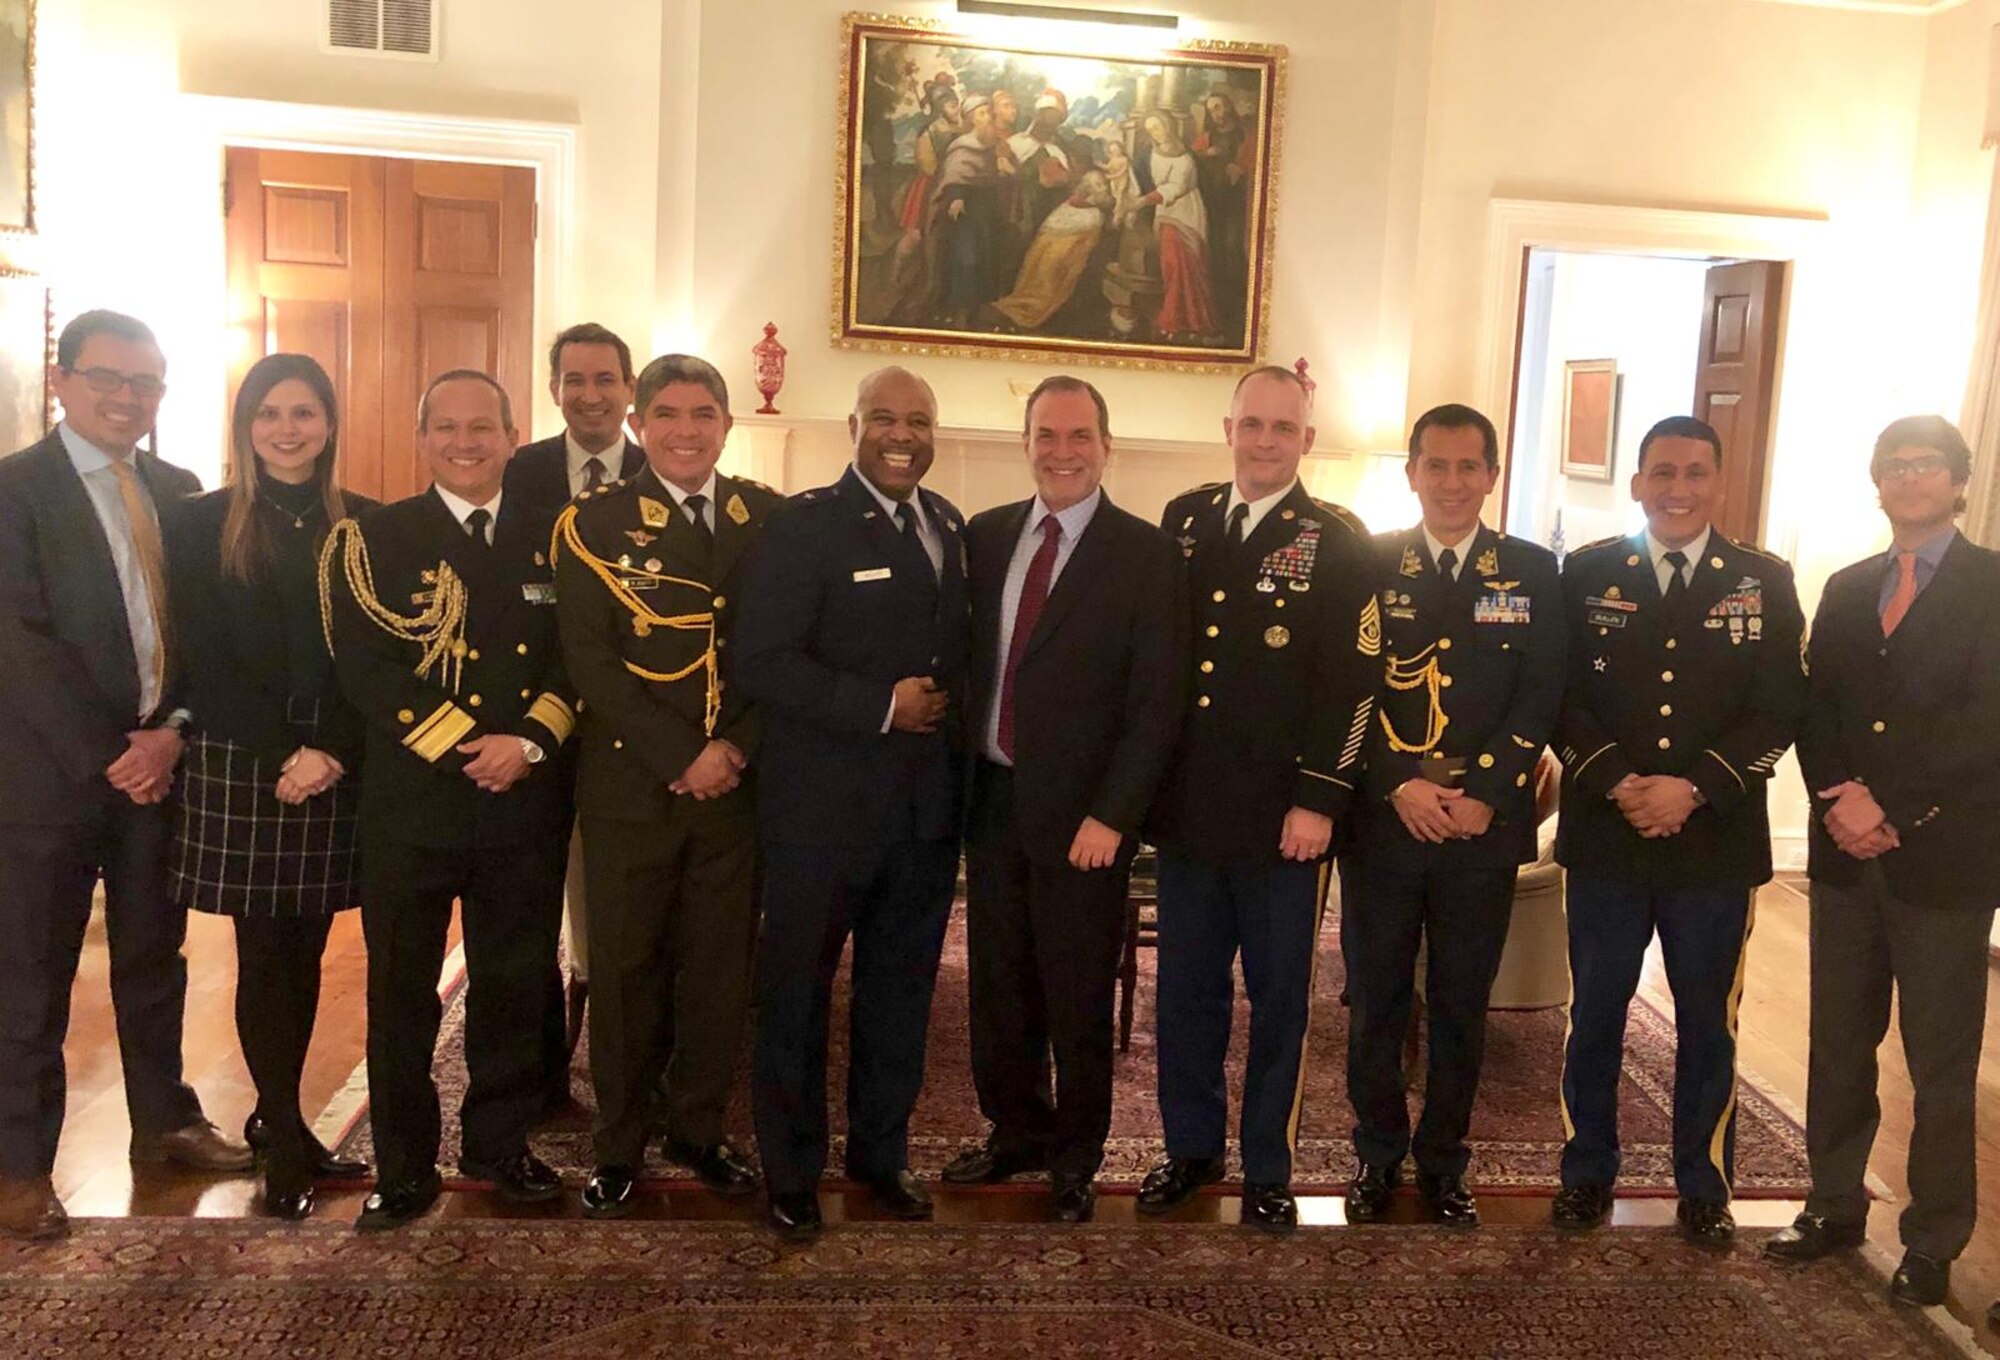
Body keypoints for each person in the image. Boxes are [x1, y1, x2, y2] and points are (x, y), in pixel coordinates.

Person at [0, 309, 249, 1243]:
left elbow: (199, 637)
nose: (127, 397)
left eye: (145, 383)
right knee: (31, 979)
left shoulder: (179, 490)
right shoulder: (14, 491)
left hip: (158, 770)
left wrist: (172, 736)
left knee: (154, 961)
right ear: (63, 381)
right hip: (46, 786)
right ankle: (20, 1167)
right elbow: (14, 643)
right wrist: (114, 754)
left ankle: (164, 1122)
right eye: (108, 377)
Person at [322, 369, 577, 1231]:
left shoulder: (560, 539)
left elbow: (576, 659)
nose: (466, 442)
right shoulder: (374, 537)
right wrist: (459, 743)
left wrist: (530, 741)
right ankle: (401, 1164)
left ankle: (499, 1145)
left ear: (513, 436)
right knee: (400, 992)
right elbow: (363, 665)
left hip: (522, 801)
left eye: (484, 427)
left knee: (511, 984)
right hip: (413, 806)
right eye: (447, 428)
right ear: (421, 436)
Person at [1551, 415, 1807, 1248]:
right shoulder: (1588, 573)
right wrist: (1622, 782)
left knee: (1707, 1020)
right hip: (1609, 835)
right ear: (1636, 483)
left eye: (1695, 474)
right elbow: (1558, 698)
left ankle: (1703, 1182)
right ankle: (1587, 1171)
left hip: (1714, 845)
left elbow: (1781, 711)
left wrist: (1694, 789)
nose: (1677, 489)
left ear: (1718, 484)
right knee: (1595, 1012)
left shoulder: (1763, 580)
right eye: (1662, 473)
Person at [1768, 415, 2000, 1307]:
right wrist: (1837, 797)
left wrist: (1891, 807)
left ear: (1958, 482)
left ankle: (1935, 1238)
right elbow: (1813, 707)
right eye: (1895, 467)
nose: (1909, 479)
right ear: (1877, 483)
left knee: (1940, 1065)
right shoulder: (1848, 587)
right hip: (1845, 860)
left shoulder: (1990, 586)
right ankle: (1831, 1205)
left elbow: (1985, 727)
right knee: (1838, 1043)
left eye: (1927, 466)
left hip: (1944, 862)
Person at [1137, 366, 1375, 1233]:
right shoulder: (1188, 519)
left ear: (1306, 440)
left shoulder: (1339, 539)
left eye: (1284, 428)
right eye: (1253, 425)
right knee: (1186, 995)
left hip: (1287, 822)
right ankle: (1190, 1149)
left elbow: (1353, 685)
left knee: (1279, 1001)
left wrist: (1320, 797)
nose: (1266, 440)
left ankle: (1269, 1166)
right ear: (1227, 426)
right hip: (1193, 812)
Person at [734, 365, 969, 1242]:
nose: (902, 434)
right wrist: (880, 706)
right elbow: (761, 660)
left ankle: (881, 1152)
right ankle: (790, 1170)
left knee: (899, 994)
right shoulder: (804, 526)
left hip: (921, 819)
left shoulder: (948, 525)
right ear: (854, 424)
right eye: (885, 418)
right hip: (819, 817)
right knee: (796, 993)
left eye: (918, 419)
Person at [944, 376, 1186, 1224]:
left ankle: (1076, 1157)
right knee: (998, 987)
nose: (1063, 451)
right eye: (1047, 435)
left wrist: (1114, 817)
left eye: (1079, 435)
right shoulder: (985, 538)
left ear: (1106, 446)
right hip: (993, 799)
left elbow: (1157, 704)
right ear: (1027, 442)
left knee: (1076, 994)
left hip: (1087, 821)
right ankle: (1015, 1132)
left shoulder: (1148, 554)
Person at [552, 354, 780, 1217]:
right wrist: (680, 755)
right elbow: (589, 660)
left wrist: (734, 749)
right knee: (625, 969)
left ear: (727, 423)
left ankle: (697, 1128)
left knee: (719, 969)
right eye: (670, 414)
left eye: (705, 413)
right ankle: (618, 1142)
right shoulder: (593, 524)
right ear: (640, 424)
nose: (688, 430)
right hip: (632, 787)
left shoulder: (767, 517)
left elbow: (777, 651)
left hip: (733, 787)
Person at [1340, 403, 1564, 1230]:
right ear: (1412, 473)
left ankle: (1442, 1162)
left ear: (1492, 476)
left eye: (1470, 467)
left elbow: (1542, 692)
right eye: (1436, 465)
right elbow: (1348, 687)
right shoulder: (1369, 562)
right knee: (1377, 999)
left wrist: (1486, 796)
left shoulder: (1534, 572)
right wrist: (1397, 781)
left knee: (1463, 1003)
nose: (1453, 482)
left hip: (1482, 825)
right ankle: (1375, 1156)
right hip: (1386, 822)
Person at [162, 353, 375, 1220]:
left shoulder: (364, 524)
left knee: (310, 947)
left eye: (306, 413)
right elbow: (200, 655)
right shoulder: (198, 523)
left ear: (330, 424)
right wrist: (280, 750)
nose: (289, 429)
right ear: (246, 425)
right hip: (244, 756)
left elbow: (374, 652)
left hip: (335, 756)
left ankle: (278, 1115)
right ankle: (283, 1131)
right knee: (264, 953)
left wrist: (327, 747)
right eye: (270, 413)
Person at [505, 322, 646, 1070]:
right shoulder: (514, 471)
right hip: (534, 718)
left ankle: (627, 1052)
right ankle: (539, 1066)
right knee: (530, 897)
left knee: (621, 899)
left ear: (630, 389)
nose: (590, 396)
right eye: (574, 380)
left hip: (631, 723)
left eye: (605, 380)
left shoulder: (667, 471)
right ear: (555, 388)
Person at [1138, 113, 1215, 343]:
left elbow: (1177, 187)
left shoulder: (1185, 156)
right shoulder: (1147, 154)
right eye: (1150, 129)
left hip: (1186, 214)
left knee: (1187, 268)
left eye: (1158, 126)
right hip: (1164, 214)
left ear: (1168, 126)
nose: (1155, 132)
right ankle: (1176, 320)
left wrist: (1142, 201)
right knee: (1170, 268)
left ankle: (1193, 322)